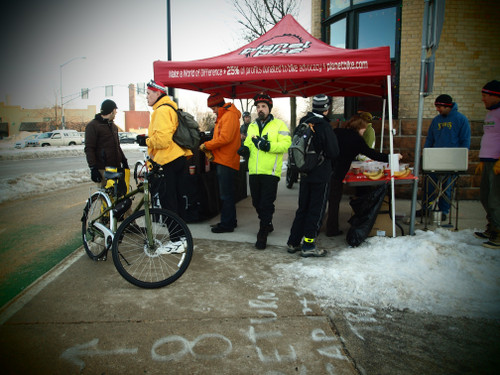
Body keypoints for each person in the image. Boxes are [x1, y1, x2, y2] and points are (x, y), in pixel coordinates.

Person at [325, 115, 403, 237]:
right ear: (359, 127)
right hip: (337, 173)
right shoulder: (357, 139)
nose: (364, 132)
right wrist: (391, 157)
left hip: (325, 169)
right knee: (334, 201)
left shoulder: (337, 131)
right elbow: (372, 154)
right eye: (364, 129)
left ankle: (320, 225)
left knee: (325, 200)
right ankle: (332, 230)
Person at [287, 94, 339, 257]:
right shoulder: (324, 126)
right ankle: (308, 245)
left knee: (303, 208)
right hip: (320, 175)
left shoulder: (303, 123)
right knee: (316, 210)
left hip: (305, 173)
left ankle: (293, 242)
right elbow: (334, 152)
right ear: (326, 108)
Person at [239, 93, 291, 249]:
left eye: (263, 107)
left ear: (269, 108)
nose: (260, 109)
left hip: (270, 171)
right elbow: (248, 143)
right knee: (256, 202)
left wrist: (268, 146)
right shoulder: (252, 126)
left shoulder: (279, 125)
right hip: (254, 171)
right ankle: (267, 222)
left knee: (266, 202)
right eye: (258, 107)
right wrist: (244, 149)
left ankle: (262, 232)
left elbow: (286, 144)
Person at [136, 80, 192, 217]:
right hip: (178, 157)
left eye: (149, 93)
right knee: (177, 200)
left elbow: (162, 140)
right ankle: (180, 236)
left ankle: (175, 237)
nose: (147, 96)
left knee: (168, 202)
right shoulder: (170, 108)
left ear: (157, 93)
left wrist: (146, 141)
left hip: (168, 160)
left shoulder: (161, 111)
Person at [418, 94, 471, 221]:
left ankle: (443, 210)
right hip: (435, 159)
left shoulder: (461, 119)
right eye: (436, 106)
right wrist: (425, 154)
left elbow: (465, 140)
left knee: (447, 187)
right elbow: (430, 138)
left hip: (452, 160)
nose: (438, 109)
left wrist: (461, 158)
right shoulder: (436, 120)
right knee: (429, 185)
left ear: (448, 106)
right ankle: (426, 208)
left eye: (440, 106)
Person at [200, 93, 241, 233]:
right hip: (224, 159)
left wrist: (207, 145)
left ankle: (227, 224)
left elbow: (225, 138)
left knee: (226, 195)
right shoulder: (224, 115)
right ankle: (230, 221)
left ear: (219, 105)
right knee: (227, 193)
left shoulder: (229, 115)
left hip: (227, 161)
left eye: (213, 108)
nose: (212, 111)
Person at [475, 80, 500, 249]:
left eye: (485, 96)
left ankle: (498, 233)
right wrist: (483, 159)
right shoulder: (490, 113)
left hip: (497, 163)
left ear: (495, 95)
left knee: (495, 199)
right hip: (488, 161)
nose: (482, 99)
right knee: (484, 197)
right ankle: (492, 227)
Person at [84, 99, 128, 186]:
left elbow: (117, 146)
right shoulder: (93, 126)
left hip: (116, 167)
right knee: (105, 195)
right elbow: (89, 148)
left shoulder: (114, 126)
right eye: (115, 111)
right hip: (103, 169)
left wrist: (124, 161)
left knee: (119, 196)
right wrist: (93, 168)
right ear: (111, 111)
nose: (116, 113)